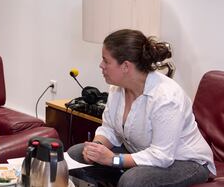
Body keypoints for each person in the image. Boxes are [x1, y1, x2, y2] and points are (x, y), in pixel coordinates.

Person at [68, 29, 216, 187]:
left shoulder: (166, 98)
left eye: (106, 61)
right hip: (140, 153)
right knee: (76, 154)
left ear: (125, 66)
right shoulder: (118, 89)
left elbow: (161, 156)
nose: (101, 65)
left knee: (133, 180)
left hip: (184, 162)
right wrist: (96, 147)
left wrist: (113, 159)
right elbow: (109, 129)